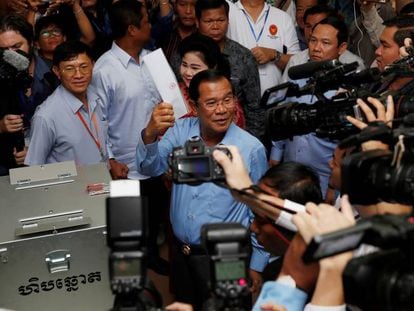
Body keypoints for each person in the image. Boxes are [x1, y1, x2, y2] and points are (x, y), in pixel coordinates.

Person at [136, 69, 269, 310]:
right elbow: (150, 167)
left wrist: (256, 264)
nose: (222, 109)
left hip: (227, 256)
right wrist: (150, 134)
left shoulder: (250, 149)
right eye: (211, 103)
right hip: (182, 253)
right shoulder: (180, 132)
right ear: (195, 107)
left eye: (227, 100)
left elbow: (259, 210)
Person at [270, 16, 350, 197]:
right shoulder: (297, 75)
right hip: (290, 170)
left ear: (342, 48)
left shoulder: (347, 87)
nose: (316, 48)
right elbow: (284, 115)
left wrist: (332, 187)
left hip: (325, 177)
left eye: (326, 43)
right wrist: (275, 156)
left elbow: (347, 145)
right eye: (313, 40)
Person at [25, 40, 108, 166]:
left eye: (84, 67)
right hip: (72, 185)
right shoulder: (46, 116)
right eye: (69, 69)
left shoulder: (97, 96)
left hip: (103, 180)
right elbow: (34, 167)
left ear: (93, 65)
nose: (78, 75)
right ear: (57, 71)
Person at [194, 0, 265, 138]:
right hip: (194, 139)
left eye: (221, 20)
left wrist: (251, 144)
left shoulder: (244, 57)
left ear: (228, 21)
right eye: (209, 21)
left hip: (236, 136)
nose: (215, 26)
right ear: (197, 22)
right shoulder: (185, 55)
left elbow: (254, 108)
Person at [226, 0, 300, 95]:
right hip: (237, 101)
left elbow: (298, 62)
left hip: (274, 100)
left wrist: (274, 55)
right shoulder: (228, 11)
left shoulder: (283, 18)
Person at [178, 33, 245, 128]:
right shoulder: (175, 90)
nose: (187, 72)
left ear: (212, 68)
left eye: (195, 68)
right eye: (184, 65)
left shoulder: (224, 96)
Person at [0, 14, 33, 175]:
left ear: (31, 43)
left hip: (52, 163)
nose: (12, 55)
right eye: (4, 50)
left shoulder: (53, 74)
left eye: (16, 46)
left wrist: (36, 149)